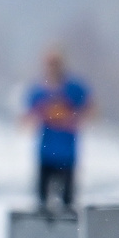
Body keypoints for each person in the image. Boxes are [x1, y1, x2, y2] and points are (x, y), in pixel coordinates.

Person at [24, 47, 95, 209]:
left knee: (68, 204)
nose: (52, 67)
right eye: (49, 63)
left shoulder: (74, 88)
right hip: (46, 154)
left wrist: (73, 118)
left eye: (55, 63)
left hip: (67, 154)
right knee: (42, 204)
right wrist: (41, 115)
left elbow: (91, 109)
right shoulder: (38, 91)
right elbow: (26, 119)